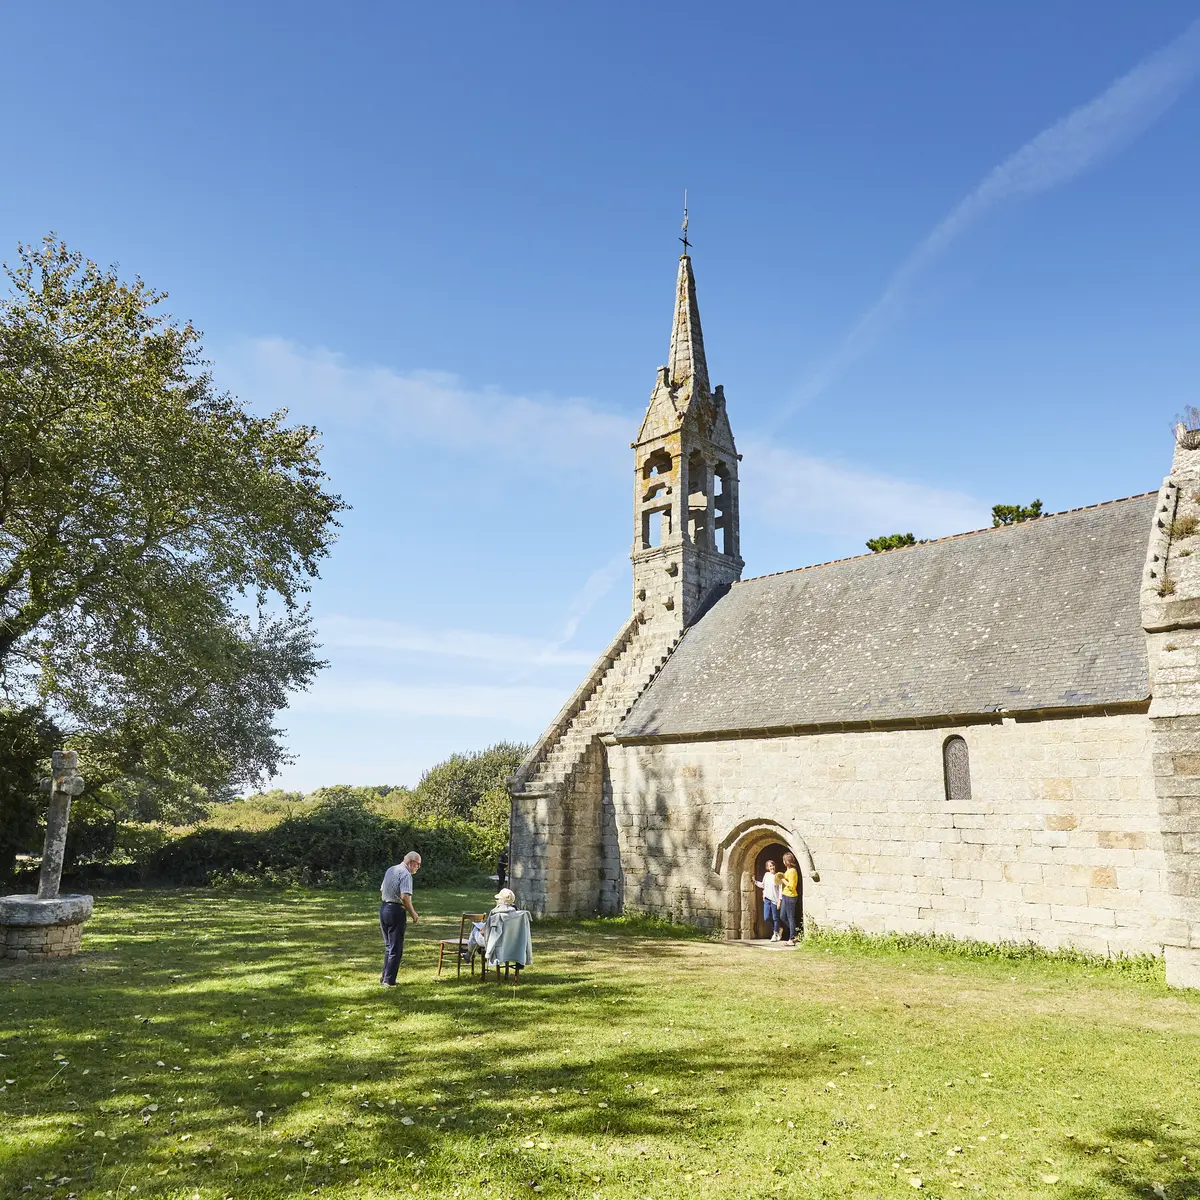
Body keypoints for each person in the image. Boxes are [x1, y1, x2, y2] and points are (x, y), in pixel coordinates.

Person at [379, 850, 421, 986]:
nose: (418, 868)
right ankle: (389, 981)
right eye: (418, 865)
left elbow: (382, 889)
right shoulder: (405, 874)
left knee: (389, 946)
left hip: (384, 908)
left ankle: (384, 978)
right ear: (411, 862)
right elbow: (404, 896)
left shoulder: (391, 869)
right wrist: (413, 913)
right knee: (395, 948)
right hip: (396, 910)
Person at [754, 859, 783, 941]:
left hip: (775, 899)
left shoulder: (778, 876)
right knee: (766, 917)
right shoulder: (766, 875)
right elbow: (763, 885)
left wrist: (780, 900)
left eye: (773, 865)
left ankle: (775, 934)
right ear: (767, 868)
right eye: (770, 866)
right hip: (767, 899)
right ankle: (778, 929)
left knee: (775, 917)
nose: (772, 867)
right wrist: (755, 882)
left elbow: (780, 889)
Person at [780, 851, 800, 946]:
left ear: (786, 861)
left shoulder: (792, 871)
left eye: (784, 860)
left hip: (790, 896)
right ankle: (795, 934)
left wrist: (783, 880)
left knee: (790, 918)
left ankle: (792, 939)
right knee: (783, 916)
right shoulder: (788, 870)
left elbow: (792, 886)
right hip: (785, 895)